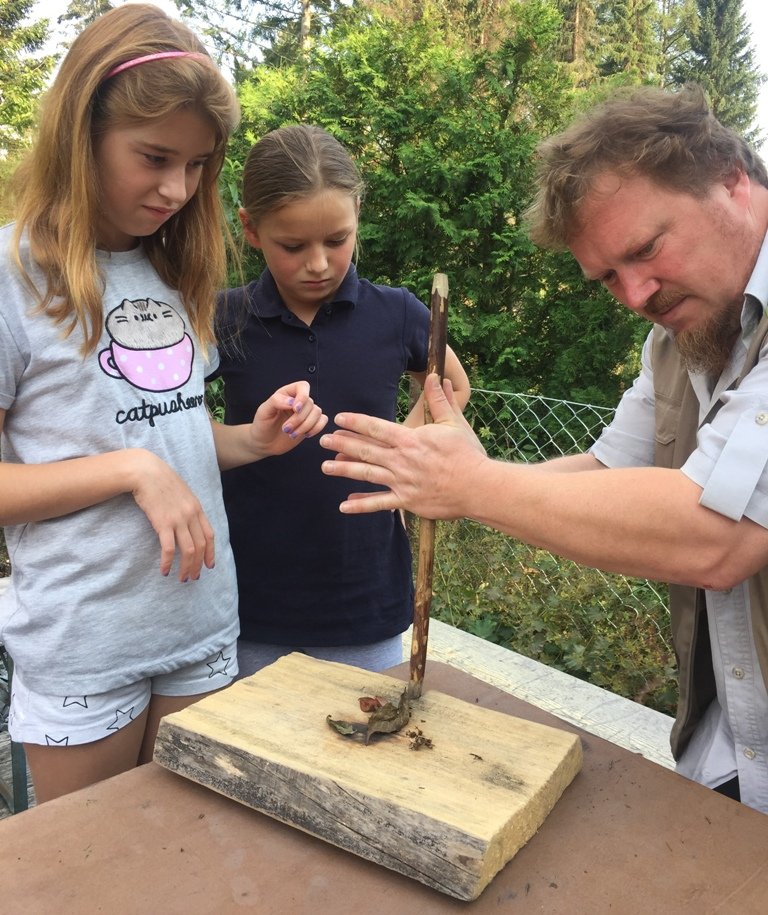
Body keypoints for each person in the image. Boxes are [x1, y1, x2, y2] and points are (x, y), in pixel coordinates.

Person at [319, 84, 768, 814]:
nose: (636, 293)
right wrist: (449, 478)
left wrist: (474, 487)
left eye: (646, 249)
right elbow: (602, 472)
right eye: (608, 278)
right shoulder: (679, 340)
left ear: (733, 179)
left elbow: (716, 533)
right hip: (730, 765)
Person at [0, 5, 327, 804]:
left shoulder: (172, 271)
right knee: (84, 875)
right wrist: (131, 470)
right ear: (82, 132)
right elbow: (132, 458)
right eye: (153, 157)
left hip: (200, 630)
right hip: (85, 646)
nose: (176, 189)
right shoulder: (14, 276)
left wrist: (252, 439)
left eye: (197, 165)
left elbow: (165, 434)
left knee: (184, 861)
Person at [213, 124, 470, 676]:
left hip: (363, 595)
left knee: (360, 740)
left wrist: (400, 449)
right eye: (293, 245)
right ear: (251, 230)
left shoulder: (396, 312)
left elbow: (449, 385)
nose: (319, 264)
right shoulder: (224, 317)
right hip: (248, 598)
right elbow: (173, 419)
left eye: (337, 240)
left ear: (357, 215)